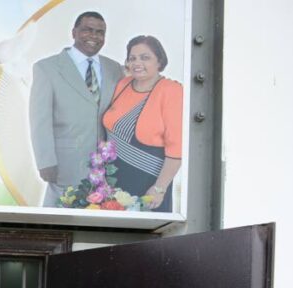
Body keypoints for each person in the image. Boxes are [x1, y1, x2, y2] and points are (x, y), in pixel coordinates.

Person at [29, 11, 124, 207]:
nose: (94, 36)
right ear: (73, 32)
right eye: (87, 30)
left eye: (100, 32)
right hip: (64, 165)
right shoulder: (47, 68)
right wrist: (45, 161)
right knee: (54, 223)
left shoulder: (115, 69)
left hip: (105, 169)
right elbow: (40, 120)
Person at [103, 36, 183, 212]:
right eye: (132, 58)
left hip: (148, 184)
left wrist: (159, 189)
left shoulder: (171, 91)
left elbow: (176, 150)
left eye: (145, 57)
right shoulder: (123, 84)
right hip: (112, 181)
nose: (137, 62)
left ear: (159, 61)